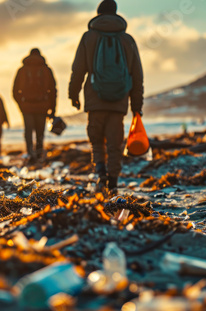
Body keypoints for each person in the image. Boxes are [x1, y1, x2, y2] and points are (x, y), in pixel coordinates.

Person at [69, 0, 144, 190]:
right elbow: (137, 75)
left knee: (96, 140)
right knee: (115, 143)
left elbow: (78, 69)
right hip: (119, 101)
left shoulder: (88, 37)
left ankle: (101, 173)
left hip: (95, 99)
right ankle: (113, 180)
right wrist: (137, 106)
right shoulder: (128, 40)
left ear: (98, 13)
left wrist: (74, 94)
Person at [13, 48, 57, 164]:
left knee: (28, 131)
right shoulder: (46, 70)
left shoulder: (22, 70)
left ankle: (30, 153)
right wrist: (52, 108)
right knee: (40, 131)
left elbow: (14, 90)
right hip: (42, 105)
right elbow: (53, 90)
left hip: (26, 105)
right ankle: (38, 153)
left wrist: (21, 104)